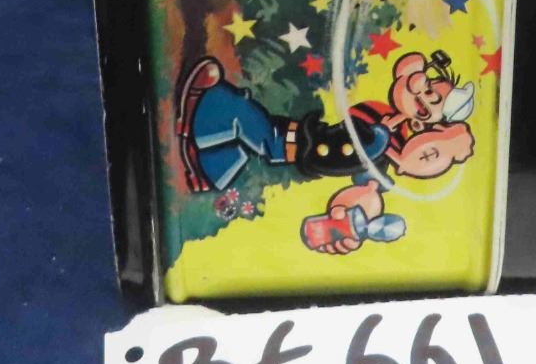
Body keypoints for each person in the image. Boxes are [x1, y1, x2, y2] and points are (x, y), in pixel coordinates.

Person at [176, 50, 474, 255]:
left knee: (255, 126)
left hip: (306, 147)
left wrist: (347, 219)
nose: (422, 89)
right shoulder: (385, 117)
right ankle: (209, 171)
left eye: (432, 97)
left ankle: (208, 105)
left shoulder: (389, 146)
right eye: (429, 85)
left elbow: (368, 192)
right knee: (262, 136)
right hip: (305, 140)